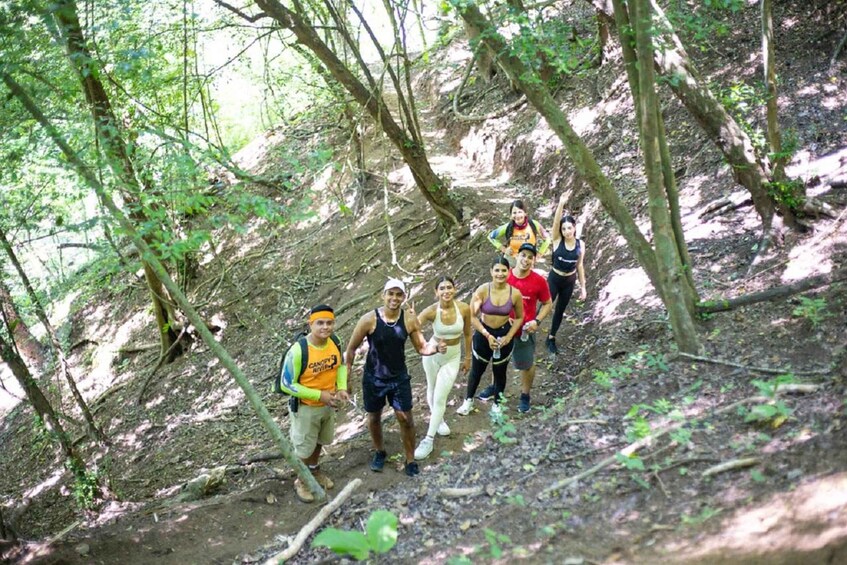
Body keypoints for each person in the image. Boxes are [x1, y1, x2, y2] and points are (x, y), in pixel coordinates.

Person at [345, 279, 445, 477]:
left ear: (404, 297)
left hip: (399, 377)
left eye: (399, 294)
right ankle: (379, 452)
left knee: (406, 418)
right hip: (374, 378)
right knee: (373, 417)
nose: (394, 298)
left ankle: (410, 459)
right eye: (390, 293)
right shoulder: (369, 319)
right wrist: (346, 378)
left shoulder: (408, 320)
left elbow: (421, 347)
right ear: (383, 295)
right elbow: (350, 349)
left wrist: (436, 348)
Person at [278, 304, 349, 503]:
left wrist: (341, 388)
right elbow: (286, 384)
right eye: (320, 323)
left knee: (320, 441)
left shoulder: (335, 341)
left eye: (329, 323)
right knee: (303, 449)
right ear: (311, 324)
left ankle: (314, 471)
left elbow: (340, 366)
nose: (325, 327)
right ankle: (301, 481)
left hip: (328, 404)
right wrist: (319, 395)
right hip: (306, 407)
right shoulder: (299, 350)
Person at [456, 257, 524, 419]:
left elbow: (520, 317)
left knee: (500, 371)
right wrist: (486, 334)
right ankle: (468, 401)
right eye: (497, 270)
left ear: (508, 272)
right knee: (477, 370)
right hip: (483, 333)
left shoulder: (514, 294)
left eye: (503, 270)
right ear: (491, 272)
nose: (500, 274)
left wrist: (509, 336)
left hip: (504, 335)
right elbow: (472, 316)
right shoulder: (482, 290)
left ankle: (497, 405)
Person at [414, 277, 473, 460]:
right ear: (436, 292)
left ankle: (428, 440)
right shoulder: (432, 311)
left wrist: (468, 357)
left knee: (441, 395)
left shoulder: (463, 308)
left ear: (454, 289)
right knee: (431, 387)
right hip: (433, 354)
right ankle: (437, 421)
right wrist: (412, 318)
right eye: (442, 288)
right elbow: (414, 327)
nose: (446, 291)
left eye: (449, 287)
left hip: (453, 356)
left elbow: (468, 333)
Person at [507, 243, 552, 413]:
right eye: (523, 255)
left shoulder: (539, 281)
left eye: (530, 257)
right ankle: (495, 389)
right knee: (498, 361)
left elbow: (547, 303)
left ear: (534, 260)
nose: (526, 260)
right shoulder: (506, 276)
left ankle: (525, 395)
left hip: (525, 330)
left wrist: (537, 321)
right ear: (517, 256)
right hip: (504, 328)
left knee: (526, 364)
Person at [545, 194, 587, 355]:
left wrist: (583, 287)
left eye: (569, 227)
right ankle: (528, 330)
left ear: (574, 228)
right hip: (554, 279)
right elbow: (556, 223)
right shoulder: (557, 240)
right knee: (546, 306)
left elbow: (580, 265)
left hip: (569, 281)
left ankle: (551, 338)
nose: (567, 231)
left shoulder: (580, 244)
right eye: (564, 229)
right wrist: (561, 204)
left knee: (560, 310)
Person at [487, 199, 549, 266]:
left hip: (527, 262)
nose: (517, 215)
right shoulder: (507, 227)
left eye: (520, 212)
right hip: (511, 261)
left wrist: (539, 254)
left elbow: (547, 239)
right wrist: (503, 249)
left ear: (525, 213)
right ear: (511, 215)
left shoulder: (534, 224)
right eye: (514, 213)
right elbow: (491, 237)